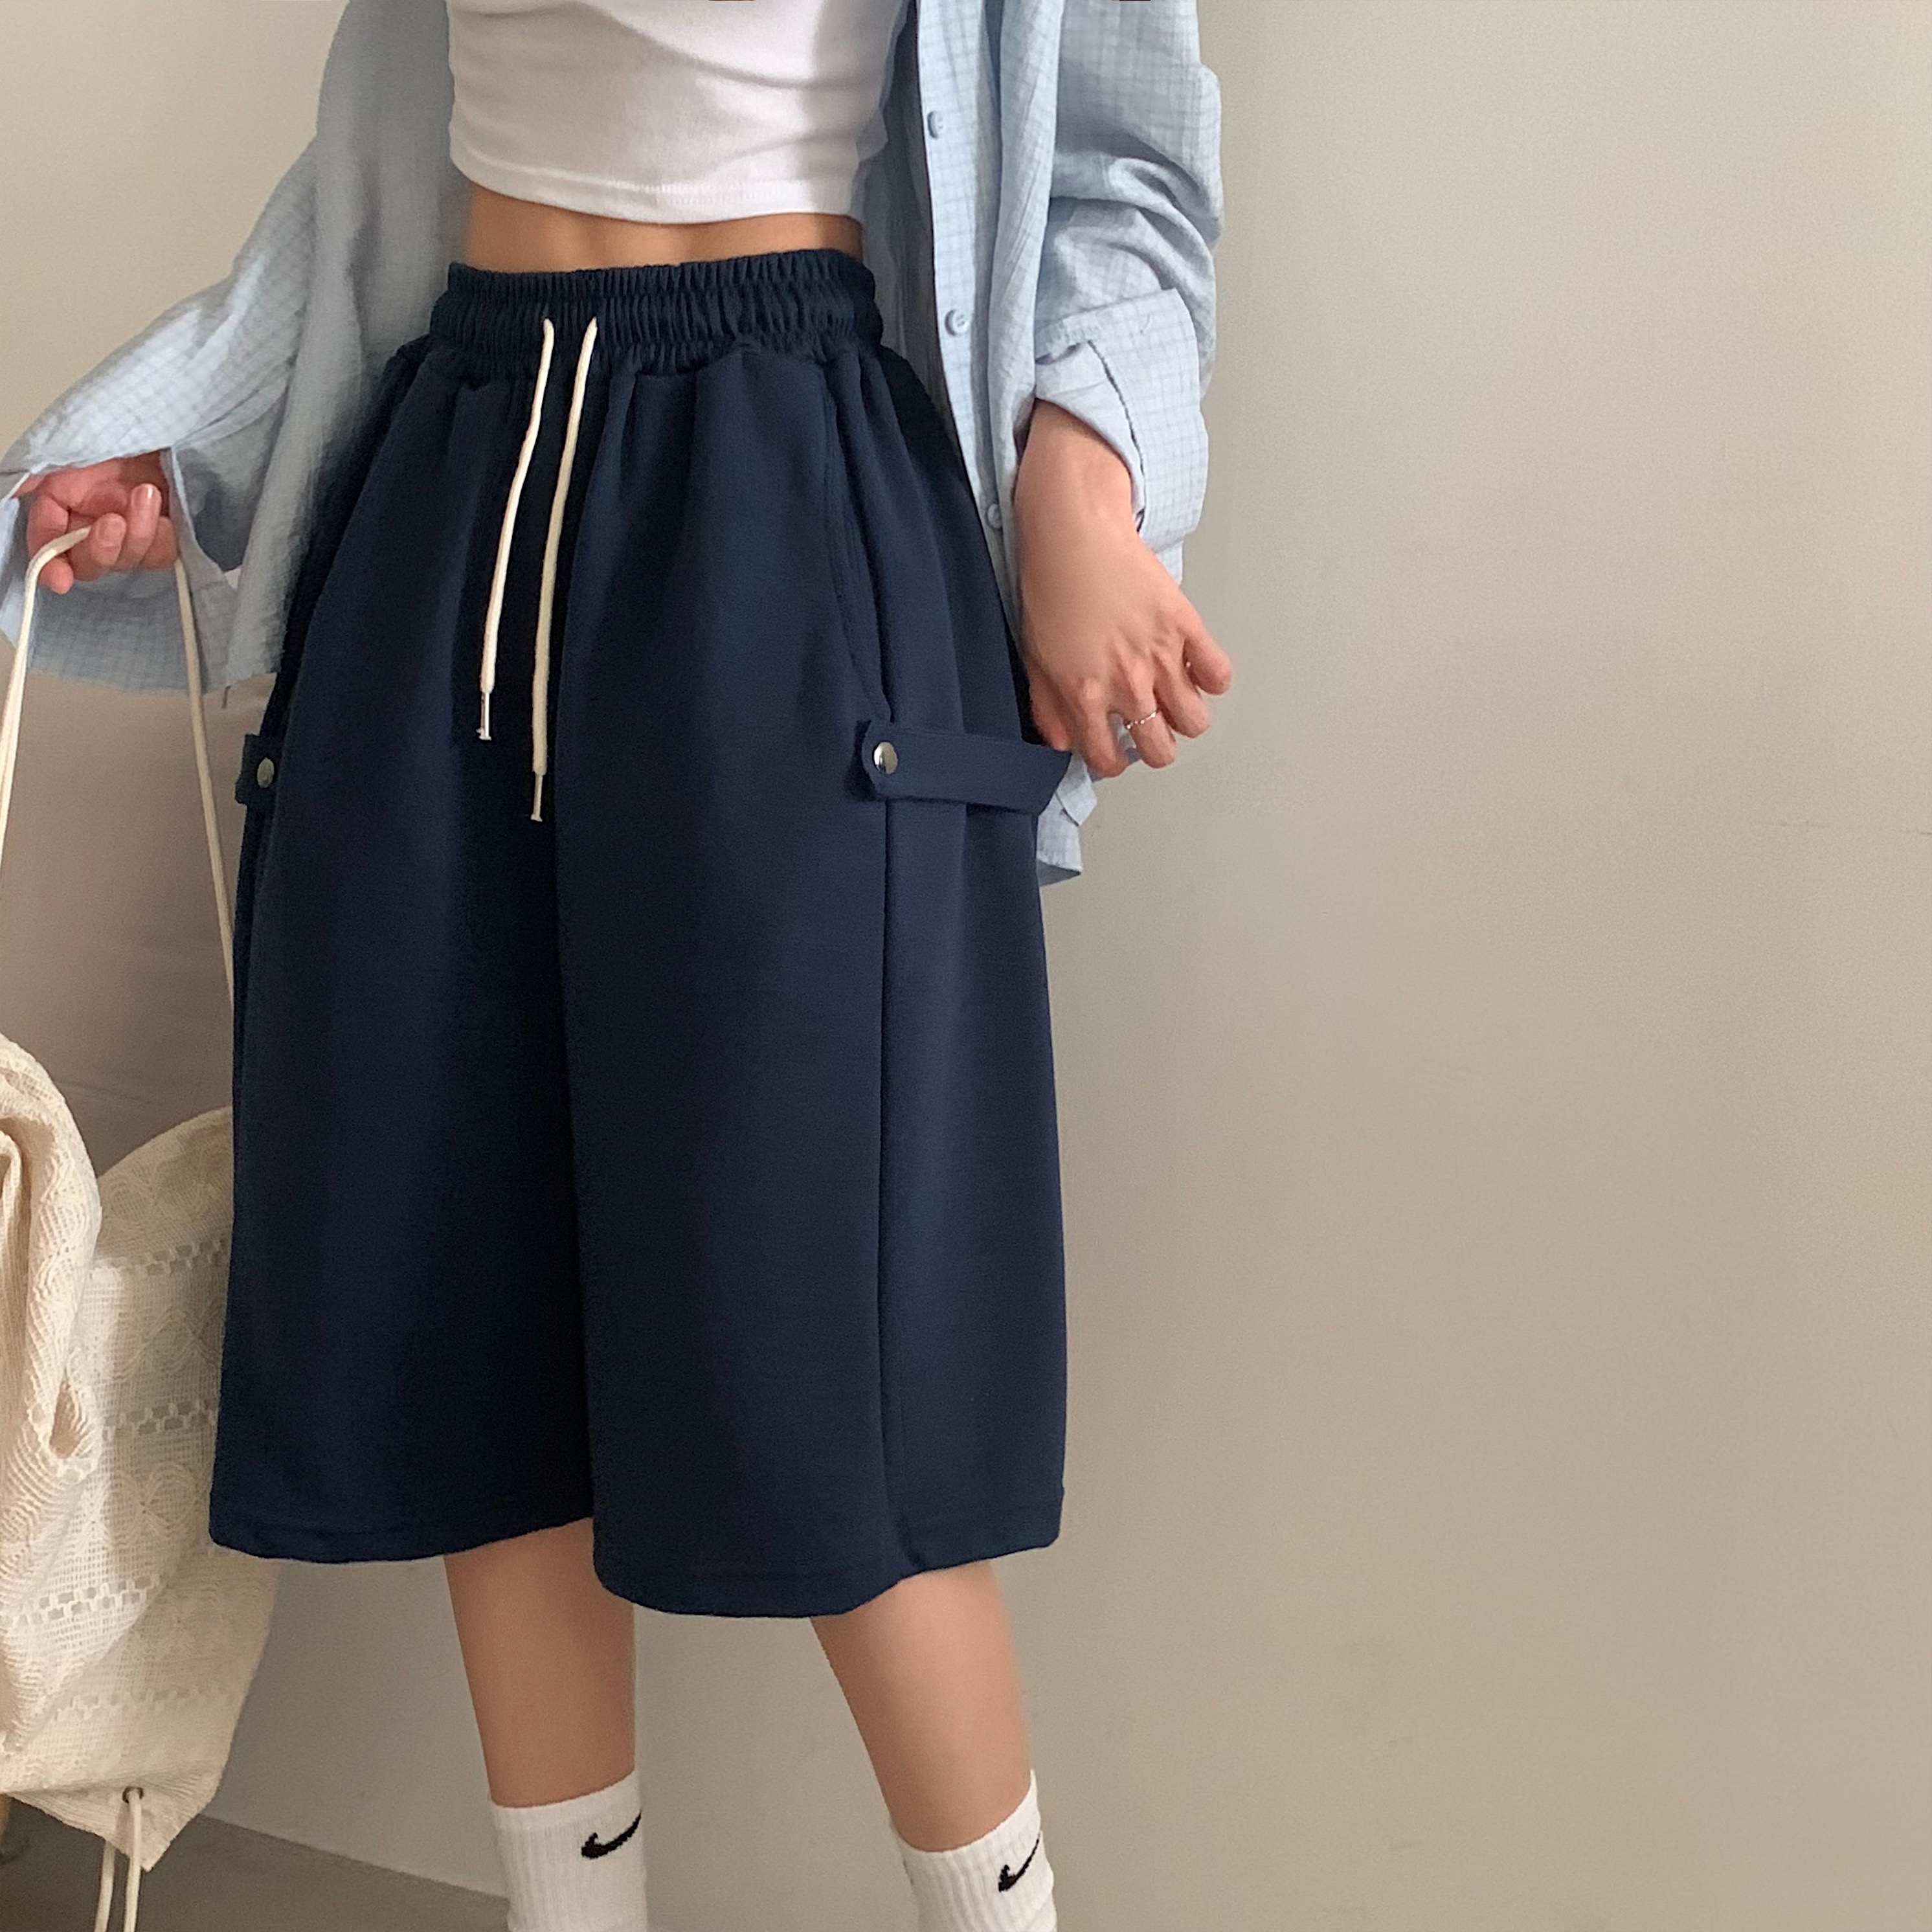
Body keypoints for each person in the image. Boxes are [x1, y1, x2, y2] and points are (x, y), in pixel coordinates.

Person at [3, 3, 1226, 1928]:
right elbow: (374, 178)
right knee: (480, 1311)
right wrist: (201, 444)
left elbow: (1126, 158)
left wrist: (1087, 480)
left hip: (789, 473)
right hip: (455, 463)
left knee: (836, 1346)